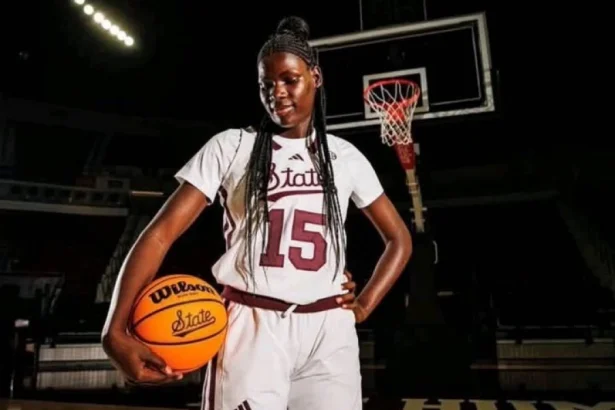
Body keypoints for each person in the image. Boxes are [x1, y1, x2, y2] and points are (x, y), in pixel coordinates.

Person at [102, 16, 412, 410]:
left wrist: (364, 305)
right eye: (267, 85)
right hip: (253, 323)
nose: (276, 93)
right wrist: (114, 329)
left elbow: (399, 239)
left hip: (330, 329)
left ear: (315, 77)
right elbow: (160, 234)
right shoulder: (232, 146)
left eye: (289, 80)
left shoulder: (345, 156)